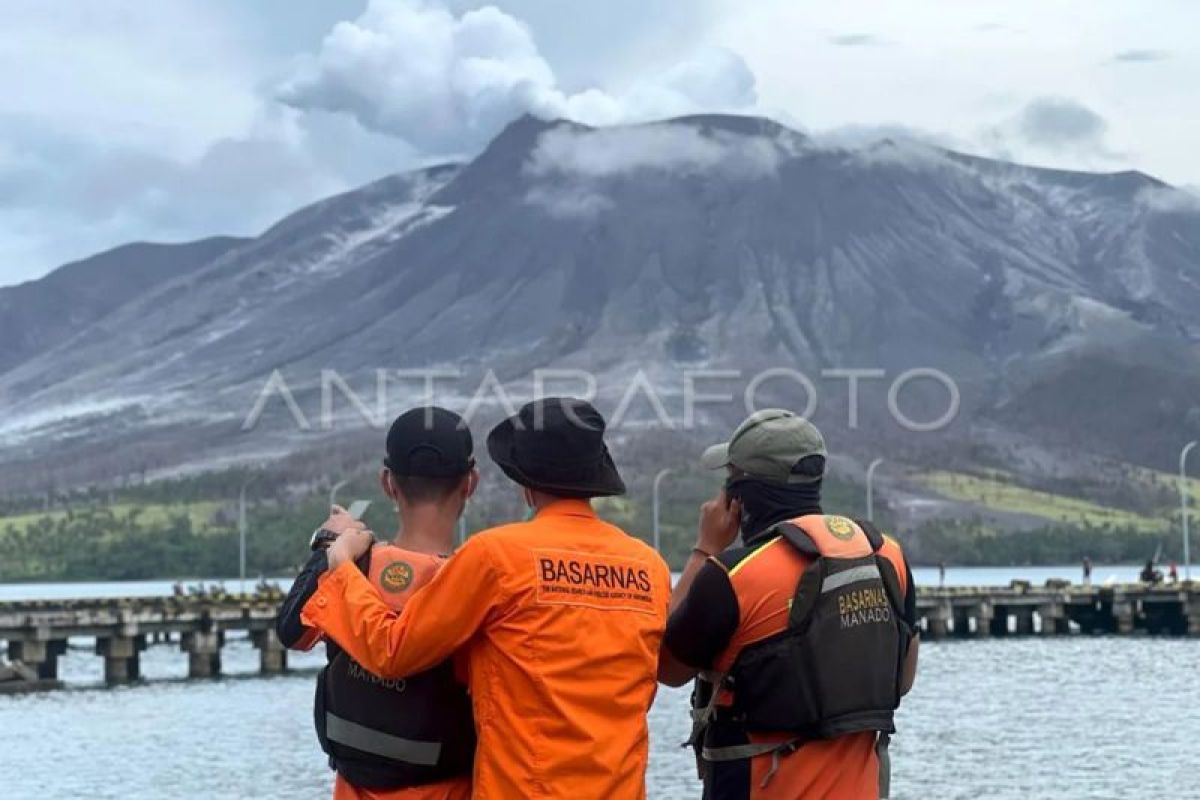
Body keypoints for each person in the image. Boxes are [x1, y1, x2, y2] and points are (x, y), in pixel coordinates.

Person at [300, 397, 672, 800]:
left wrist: (339, 565)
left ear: (525, 484)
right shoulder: (649, 567)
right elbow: (661, 674)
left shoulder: (498, 556)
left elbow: (393, 651)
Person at [659, 409, 920, 800]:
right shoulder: (887, 556)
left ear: (738, 494)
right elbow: (903, 679)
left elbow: (666, 667)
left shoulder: (732, 575)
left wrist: (704, 550)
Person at [276, 406, 479, 800]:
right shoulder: (474, 582)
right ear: (469, 483)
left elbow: (292, 631)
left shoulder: (353, 566)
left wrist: (328, 545)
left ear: (388, 483)